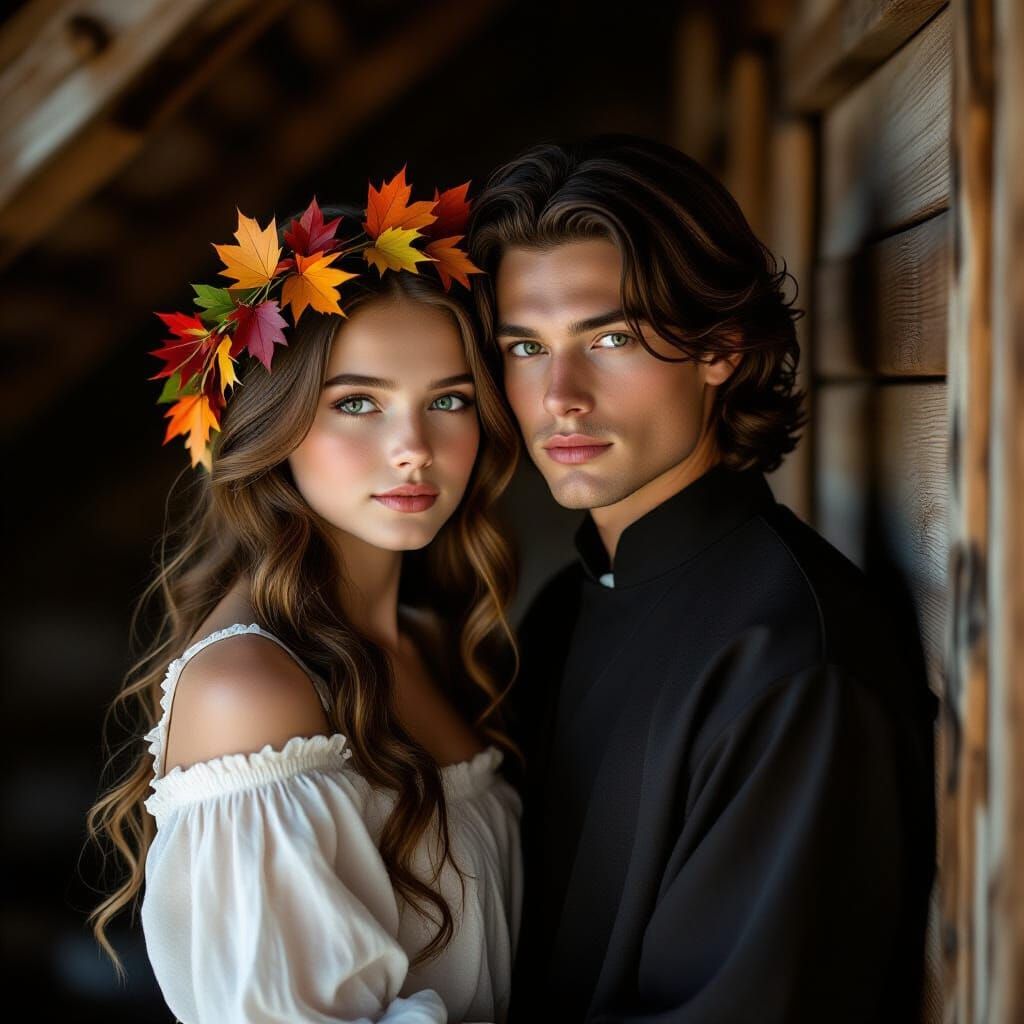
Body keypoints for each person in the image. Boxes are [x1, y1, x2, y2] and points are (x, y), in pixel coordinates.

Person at [467, 135, 939, 1023]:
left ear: (720, 346)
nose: (560, 395)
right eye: (525, 347)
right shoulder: (563, 610)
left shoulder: (795, 665)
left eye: (610, 337)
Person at [86, 178, 523, 1023]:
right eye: (357, 402)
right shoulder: (250, 693)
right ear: (272, 422)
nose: (414, 449)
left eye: (449, 400)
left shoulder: (430, 645)